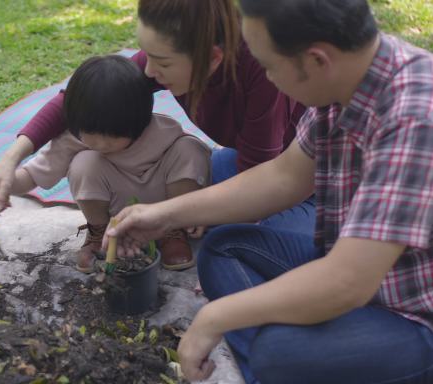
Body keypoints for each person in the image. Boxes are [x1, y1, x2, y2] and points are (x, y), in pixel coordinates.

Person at [103, 0, 433, 383]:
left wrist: (215, 317)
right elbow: (284, 176)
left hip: (412, 312)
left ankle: (281, 359)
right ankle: (292, 354)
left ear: (316, 60)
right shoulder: (347, 77)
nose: (268, 78)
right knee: (224, 247)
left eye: (270, 66)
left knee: (280, 353)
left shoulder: (414, 118)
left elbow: (348, 282)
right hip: (353, 266)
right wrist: (165, 214)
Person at [0, 0, 315, 270]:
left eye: (161, 63)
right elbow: (76, 100)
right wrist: (10, 159)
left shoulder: (260, 74)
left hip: (309, 181)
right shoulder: (184, 53)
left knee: (226, 251)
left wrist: (183, 214)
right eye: (146, 56)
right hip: (257, 165)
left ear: (213, 58)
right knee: (200, 185)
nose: (149, 72)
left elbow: (261, 178)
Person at [8, 55, 210, 272]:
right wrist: (4, 184)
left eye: (113, 135)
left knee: (190, 148)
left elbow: (196, 161)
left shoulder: (162, 130)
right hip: (116, 209)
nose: (101, 143)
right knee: (83, 164)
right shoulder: (71, 140)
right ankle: (100, 231)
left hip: (164, 206)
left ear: (138, 121)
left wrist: (197, 208)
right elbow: (34, 174)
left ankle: (174, 229)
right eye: (92, 133)